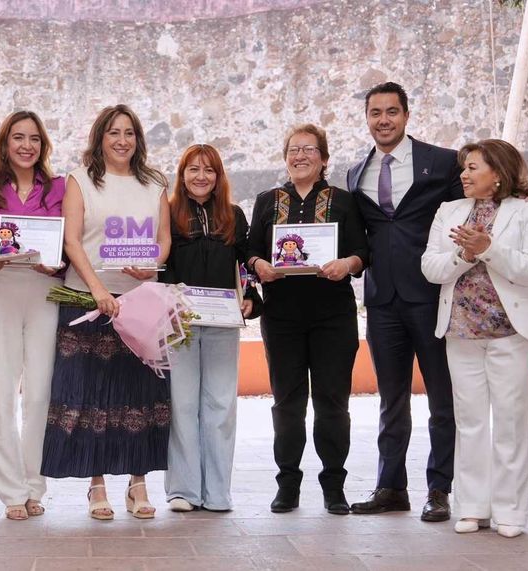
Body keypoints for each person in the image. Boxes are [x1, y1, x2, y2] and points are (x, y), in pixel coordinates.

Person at [40, 104, 171, 520]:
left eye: (129, 132)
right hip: (89, 302)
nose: (122, 140)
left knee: (140, 396)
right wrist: (97, 290)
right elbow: (72, 241)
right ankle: (96, 486)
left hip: (139, 303)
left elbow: (164, 238)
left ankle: (138, 483)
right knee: (92, 397)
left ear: (138, 139)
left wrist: (153, 266)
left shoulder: (154, 183)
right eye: (113, 132)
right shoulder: (80, 181)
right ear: (100, 137)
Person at [421, 139, 528, 538]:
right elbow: (430, 267)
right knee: (470, 421)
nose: (464, 174)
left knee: (511, 423)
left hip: (511, 333)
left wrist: (489, 248)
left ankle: (511, 513)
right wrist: (465, 255)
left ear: (498, 173)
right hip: (461, 332)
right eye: (464, 167)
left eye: (473, 167)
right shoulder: (448, 212)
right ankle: (473, 507)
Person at [346, 82, 462, 522]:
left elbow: (464, 215)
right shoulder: (356, 173)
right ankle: (391, 487)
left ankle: (439, 489)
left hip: (431, 295)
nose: (383, 120)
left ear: (407, 115)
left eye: (392, 112)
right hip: (381, 300)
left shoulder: (442, 162)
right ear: (367, 118)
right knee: (391, 399)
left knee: (441, 399)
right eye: (375, 113)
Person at [247, 124, 368, 515]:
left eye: (309, 149)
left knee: (333, 402)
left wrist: (346, 263)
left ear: (324, 159)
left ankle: (334, 485)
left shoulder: (345, 202)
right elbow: (249, 253)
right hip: (282, 317)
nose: (300, 156)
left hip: (333, 316)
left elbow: (363, 252)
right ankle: (288, 484)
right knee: (287, 403)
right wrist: (259, 265)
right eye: (292, 150)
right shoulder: (267, 201)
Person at [0, 111, 65, 521]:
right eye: (18, 137)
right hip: (1, 291)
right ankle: (10, 489)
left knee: (41, 395)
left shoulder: (60, 188)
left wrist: (58, 264)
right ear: (5, 143)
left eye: (33, 138)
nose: (26, 145)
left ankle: (34, 485)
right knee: (2, 393)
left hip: (45, 290)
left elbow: (70, 241)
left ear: (42, 144)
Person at [162, 144, 261, 513]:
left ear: (218, 177)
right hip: (180, 323)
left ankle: (218, 492)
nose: (201, 176)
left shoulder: (233, 216)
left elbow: (246, 263)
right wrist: (168, 299)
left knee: (220, 405)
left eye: (208, 170)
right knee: (182, 404)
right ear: (182, 174)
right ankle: (184, 491)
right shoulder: (169, 214)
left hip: (222, 324)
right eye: (193, 169)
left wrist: (251, 295)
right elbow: (163, 262)